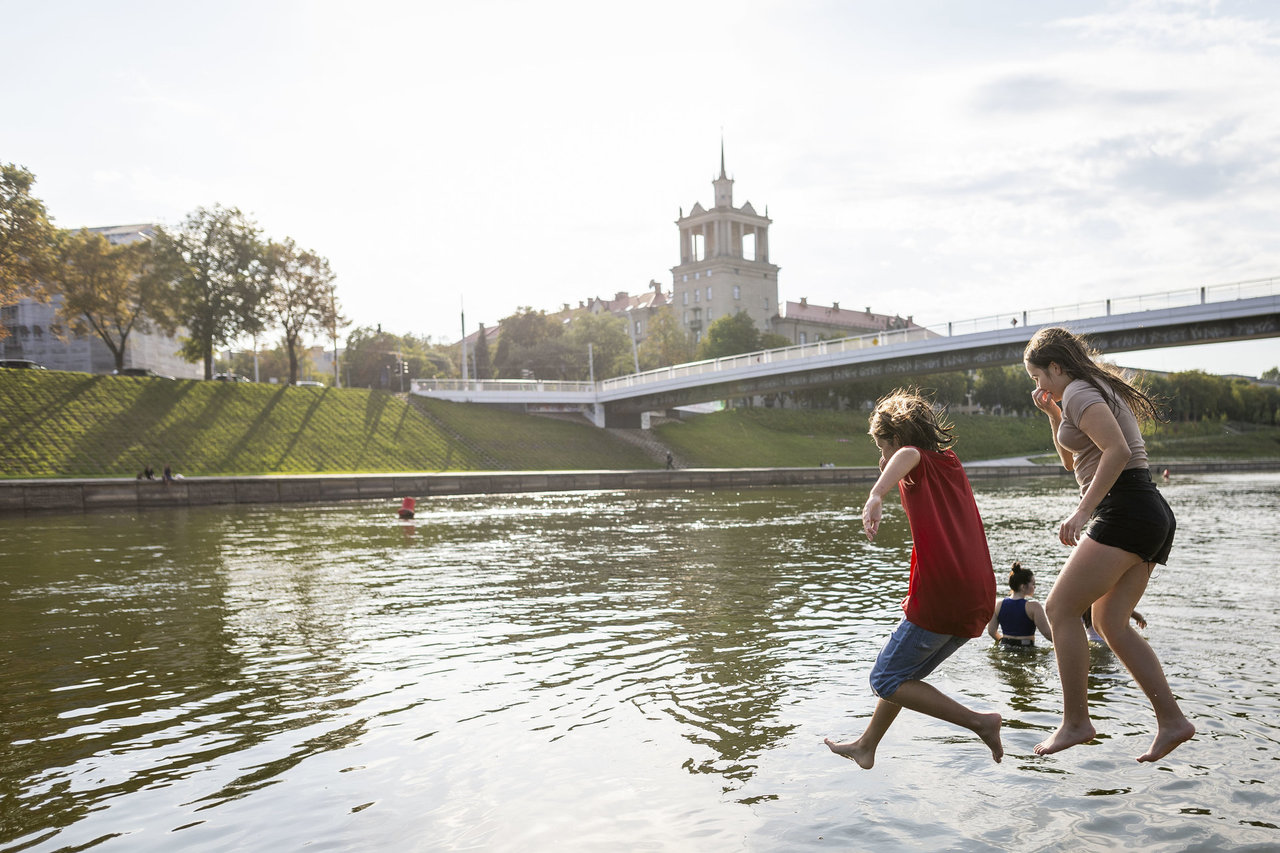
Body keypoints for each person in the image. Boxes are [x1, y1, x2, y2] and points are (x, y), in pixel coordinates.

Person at [1024, 326, 1194, 762]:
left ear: (1056, 366)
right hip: (1147, 512)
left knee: (1059, 609)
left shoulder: (1080, 391)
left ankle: (1077, 721)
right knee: (1107, 622)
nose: (1037, 386)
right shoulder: (1082, 393)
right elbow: (1073, 461)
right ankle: (1172, 720)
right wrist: (1052, 416)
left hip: (1126, 509)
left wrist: (1083, 511)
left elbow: (1116, 452)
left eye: (1038, 376)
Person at [824, 388, 1003, 768]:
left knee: (884, 679)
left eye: (881, 446)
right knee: (903, 681)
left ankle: (980, 723)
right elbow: (908, 456)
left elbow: (907, 454)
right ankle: (867, 744)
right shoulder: (950, 462)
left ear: (898, 439)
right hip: (977, 596)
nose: (881, 457)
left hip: (942, 597)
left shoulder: (913, 458)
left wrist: (875, 495)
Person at [987, 561, 1052, 647]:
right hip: (1027, 649)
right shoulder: (1034, 607)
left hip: (1005, 647)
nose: (1035, 587)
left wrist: (1003, 642)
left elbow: (991, 631)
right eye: (1033, 584)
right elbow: (1047, 633)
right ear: (1023, 586)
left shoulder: (998, 604)